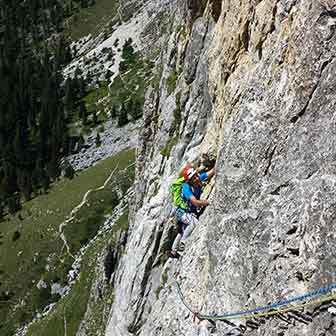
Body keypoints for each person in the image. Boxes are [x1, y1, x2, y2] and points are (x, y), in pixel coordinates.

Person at [169, 165, 215, 258]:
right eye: (193, 177)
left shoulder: (197, 179)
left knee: (183, 230)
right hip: (181, 212)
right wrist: (208, 202)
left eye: (196, 175)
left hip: (185, 211)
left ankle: (173, 251)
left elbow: (211, 172)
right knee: (193, 223)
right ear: (189, 180)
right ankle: (183, 245)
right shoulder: (186, 188)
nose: (196, 178)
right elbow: (195, 202)